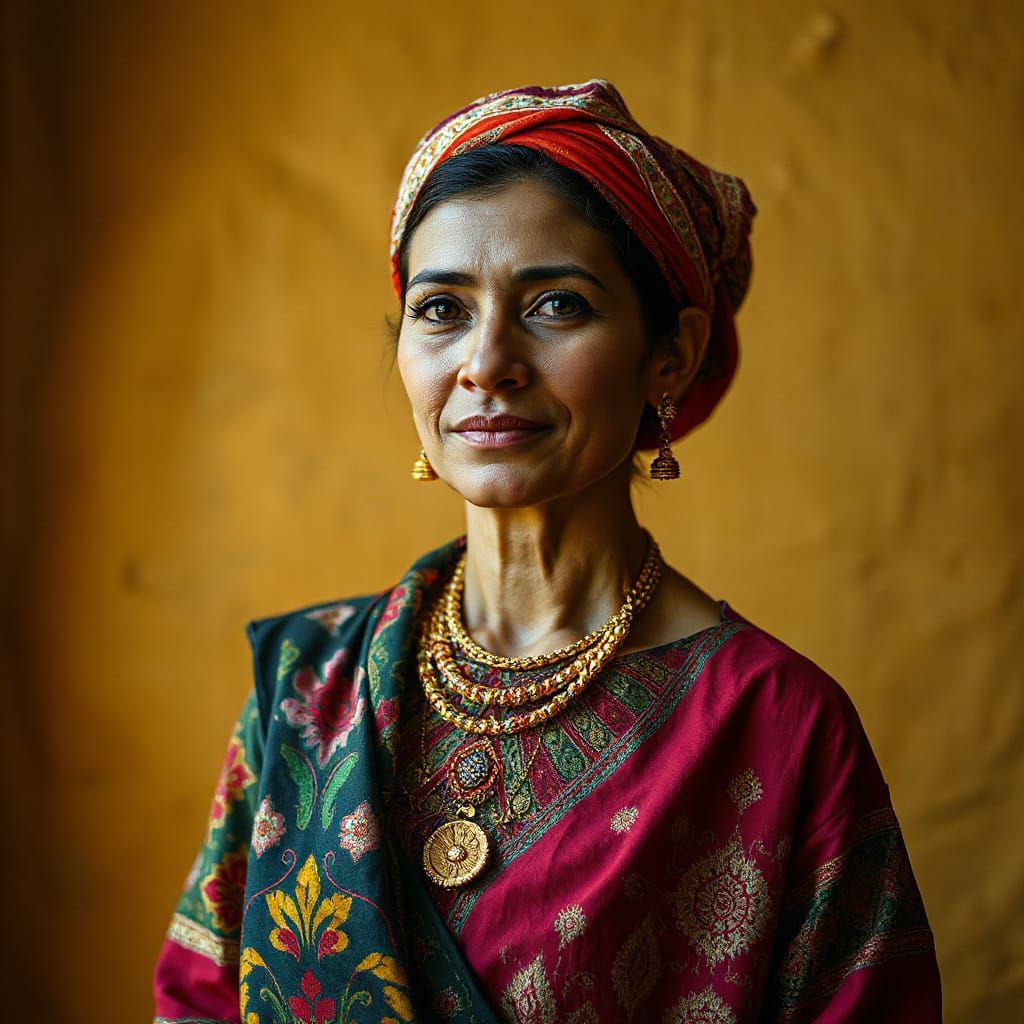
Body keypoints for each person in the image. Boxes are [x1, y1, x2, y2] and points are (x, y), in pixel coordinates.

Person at [153, 80, 941, 1024]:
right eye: (441, 309)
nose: (486, 362)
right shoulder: (310, 689)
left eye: (557, 304)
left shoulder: (777, 728)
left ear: (670, 356)